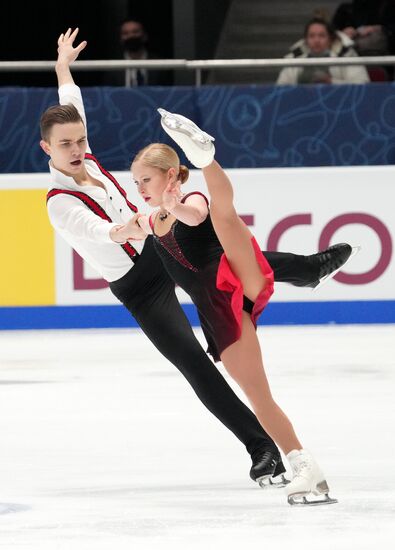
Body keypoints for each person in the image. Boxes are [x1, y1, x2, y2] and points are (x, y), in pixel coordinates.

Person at [42, 29, 351, 493]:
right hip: (135, 281)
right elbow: (101, 230)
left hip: (154, 244)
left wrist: (63, 67)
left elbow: (71, 103)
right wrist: (138, 224)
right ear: (47, 149)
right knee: (195, 363)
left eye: (80, 140)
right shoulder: (58, 201)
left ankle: (304, 270)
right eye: (65, 145)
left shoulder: (82, 148)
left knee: (218, 259)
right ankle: (261, 448)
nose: (77, 149)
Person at [129, 110, 338, 506]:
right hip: (218, 314)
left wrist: (175, 206)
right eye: (136, 181)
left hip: (235, 277)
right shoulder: (150, 217)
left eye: (147, 179)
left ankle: (206, 158)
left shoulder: (188, 199)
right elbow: (124, 229)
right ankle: (304, 465)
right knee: (258, 396)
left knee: (226, 218)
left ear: (171, 175)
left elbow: (197, 214)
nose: (140, 187)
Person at [277, 17, 370, 85]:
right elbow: (280, 88)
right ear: (306, 40)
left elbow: (362, 85)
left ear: (331, 39)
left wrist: (331, 82)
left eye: (322, 35)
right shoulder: (294, 58)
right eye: (312, 36)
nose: (316, 40)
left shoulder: (346, 55)